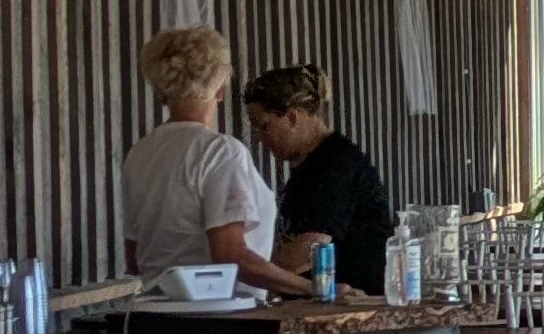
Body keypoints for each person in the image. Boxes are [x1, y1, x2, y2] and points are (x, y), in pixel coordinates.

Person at [118, 26, 318, 297]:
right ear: (221, 90)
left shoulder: (140, 154)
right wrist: (314, 288)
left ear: (162, 92)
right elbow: (230, 254)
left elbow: (135, 258)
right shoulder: (220, 152)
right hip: (219, 311)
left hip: (154, 309)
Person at [240, 62, 396, 299]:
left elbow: (310, 248)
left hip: (351, 306)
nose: (258, 137)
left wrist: (256, 279)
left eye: (263, 126)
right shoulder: (311, 165)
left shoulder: (334, 164)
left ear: (292, 117)